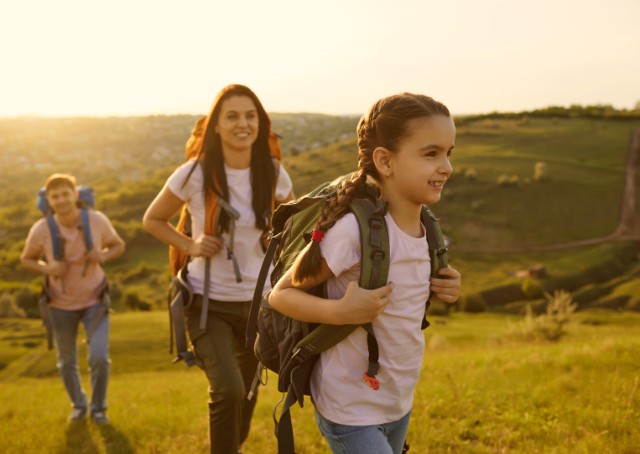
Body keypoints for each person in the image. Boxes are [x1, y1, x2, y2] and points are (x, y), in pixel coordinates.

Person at [269, 92, 462, 454]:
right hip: (349, 406)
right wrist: (341, 312)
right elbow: (280, 295)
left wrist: (445, 286)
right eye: (431, 153)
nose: (446, 167)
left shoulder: (428, 228)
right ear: (385, 161)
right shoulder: (352, 232)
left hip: (397, 399)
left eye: (448, 153)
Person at [143, 84, 294, 454]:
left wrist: (276, 236)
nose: (242, 123)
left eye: (250, 115)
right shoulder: (195, 172)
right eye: (232, 116)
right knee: (227, 389)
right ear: (216, 126)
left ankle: (233, 447)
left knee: (246, 391)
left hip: (259, 305)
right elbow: (153, 219)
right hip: (207, 302)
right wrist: (191, 244)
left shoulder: (273, 171)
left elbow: (295, 225)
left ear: (261, 123)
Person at [21, 173, 125, 424]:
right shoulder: (42, 228)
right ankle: (78, 405)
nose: (61, 200)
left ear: (75, 195)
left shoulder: (97, 220)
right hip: (59, 304)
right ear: (49, 200)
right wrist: (47, 268)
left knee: (99, 357)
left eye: (65, 194)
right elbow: (26, 259)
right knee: (66, 363)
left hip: (95, 300)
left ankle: (98, 408)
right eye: (55, 196)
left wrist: (103, 256)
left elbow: (118, 245)